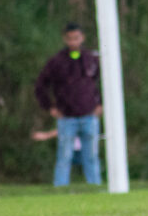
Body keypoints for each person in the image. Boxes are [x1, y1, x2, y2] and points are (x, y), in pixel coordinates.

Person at [33, 22, 103, 186]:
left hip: (89, 115)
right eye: (70, 39)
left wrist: (100, 104)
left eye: (76, 38)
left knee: (91, 155)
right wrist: (49, 107)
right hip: (67, 117)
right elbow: (41, 85)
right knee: (64, 156)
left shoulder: (91, 60)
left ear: (82, 38)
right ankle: (60, 187)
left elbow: (102, 82)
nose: (73, 42)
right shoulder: (57, 62)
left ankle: (95, 186)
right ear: (65, 39)